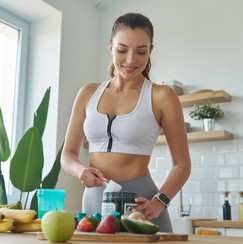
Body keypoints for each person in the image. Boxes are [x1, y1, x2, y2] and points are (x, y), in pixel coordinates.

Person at [61, 12, 191, 232]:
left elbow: (182, 164)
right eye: (122, 50)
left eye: (141, 51)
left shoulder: (162, 96)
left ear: (150, 50)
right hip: (94, 200)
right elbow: (68, 155)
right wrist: (81, 171)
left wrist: (159, 202)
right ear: (110, 47)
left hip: (142, 204)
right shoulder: (88, 93)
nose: (131, 60)